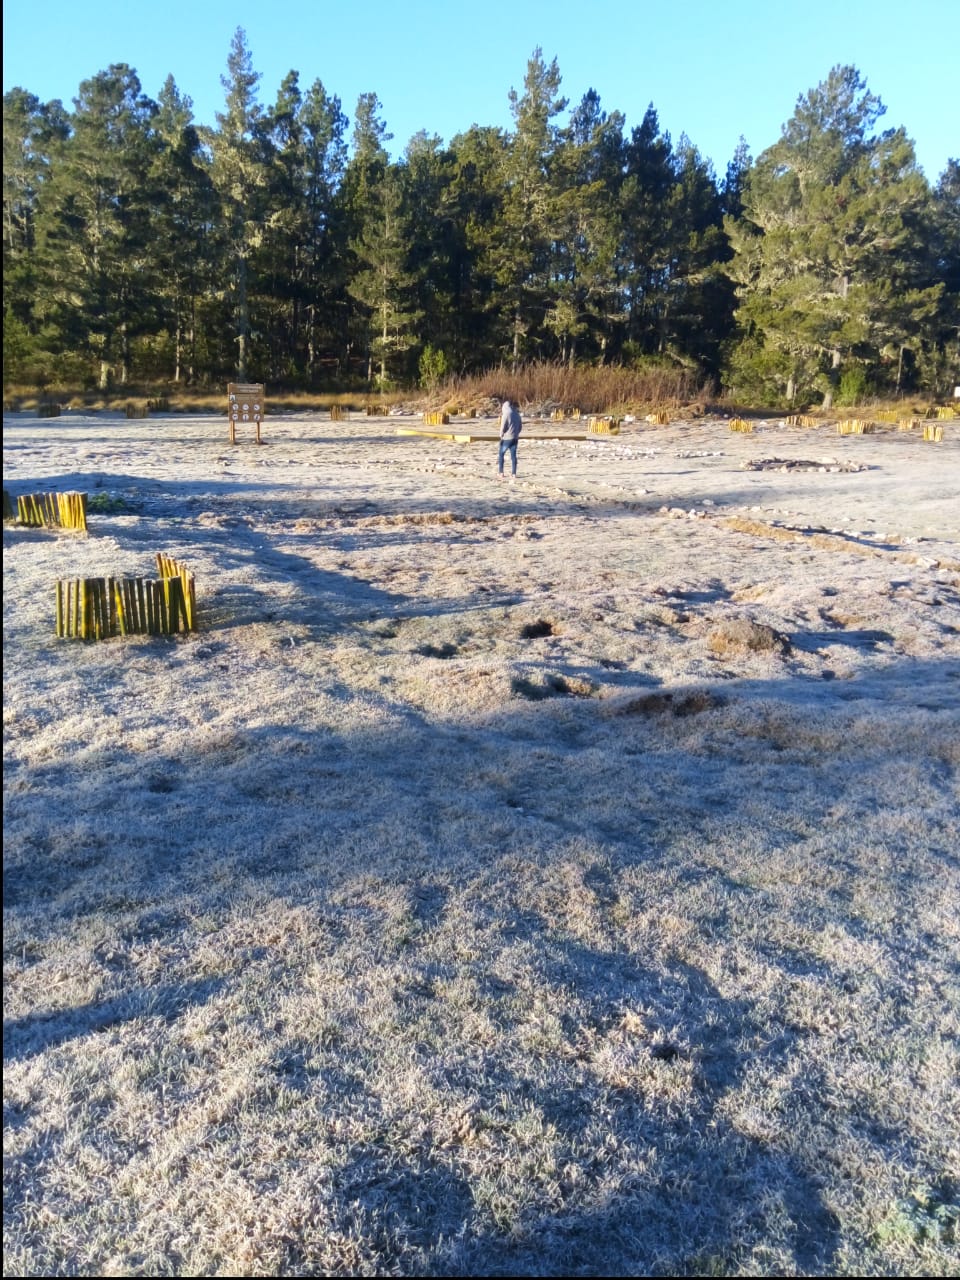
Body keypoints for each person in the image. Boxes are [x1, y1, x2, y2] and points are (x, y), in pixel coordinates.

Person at [498, 398, 522, 480]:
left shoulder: (506, 414)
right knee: (513, 456)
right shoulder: (517, 414)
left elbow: (503, 426)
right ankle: (514, 473)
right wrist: (516, 433)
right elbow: (520, 427)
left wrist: (501, 435)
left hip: (507, 438)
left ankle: (501, 472)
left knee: (501, 454)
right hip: (515, 438)